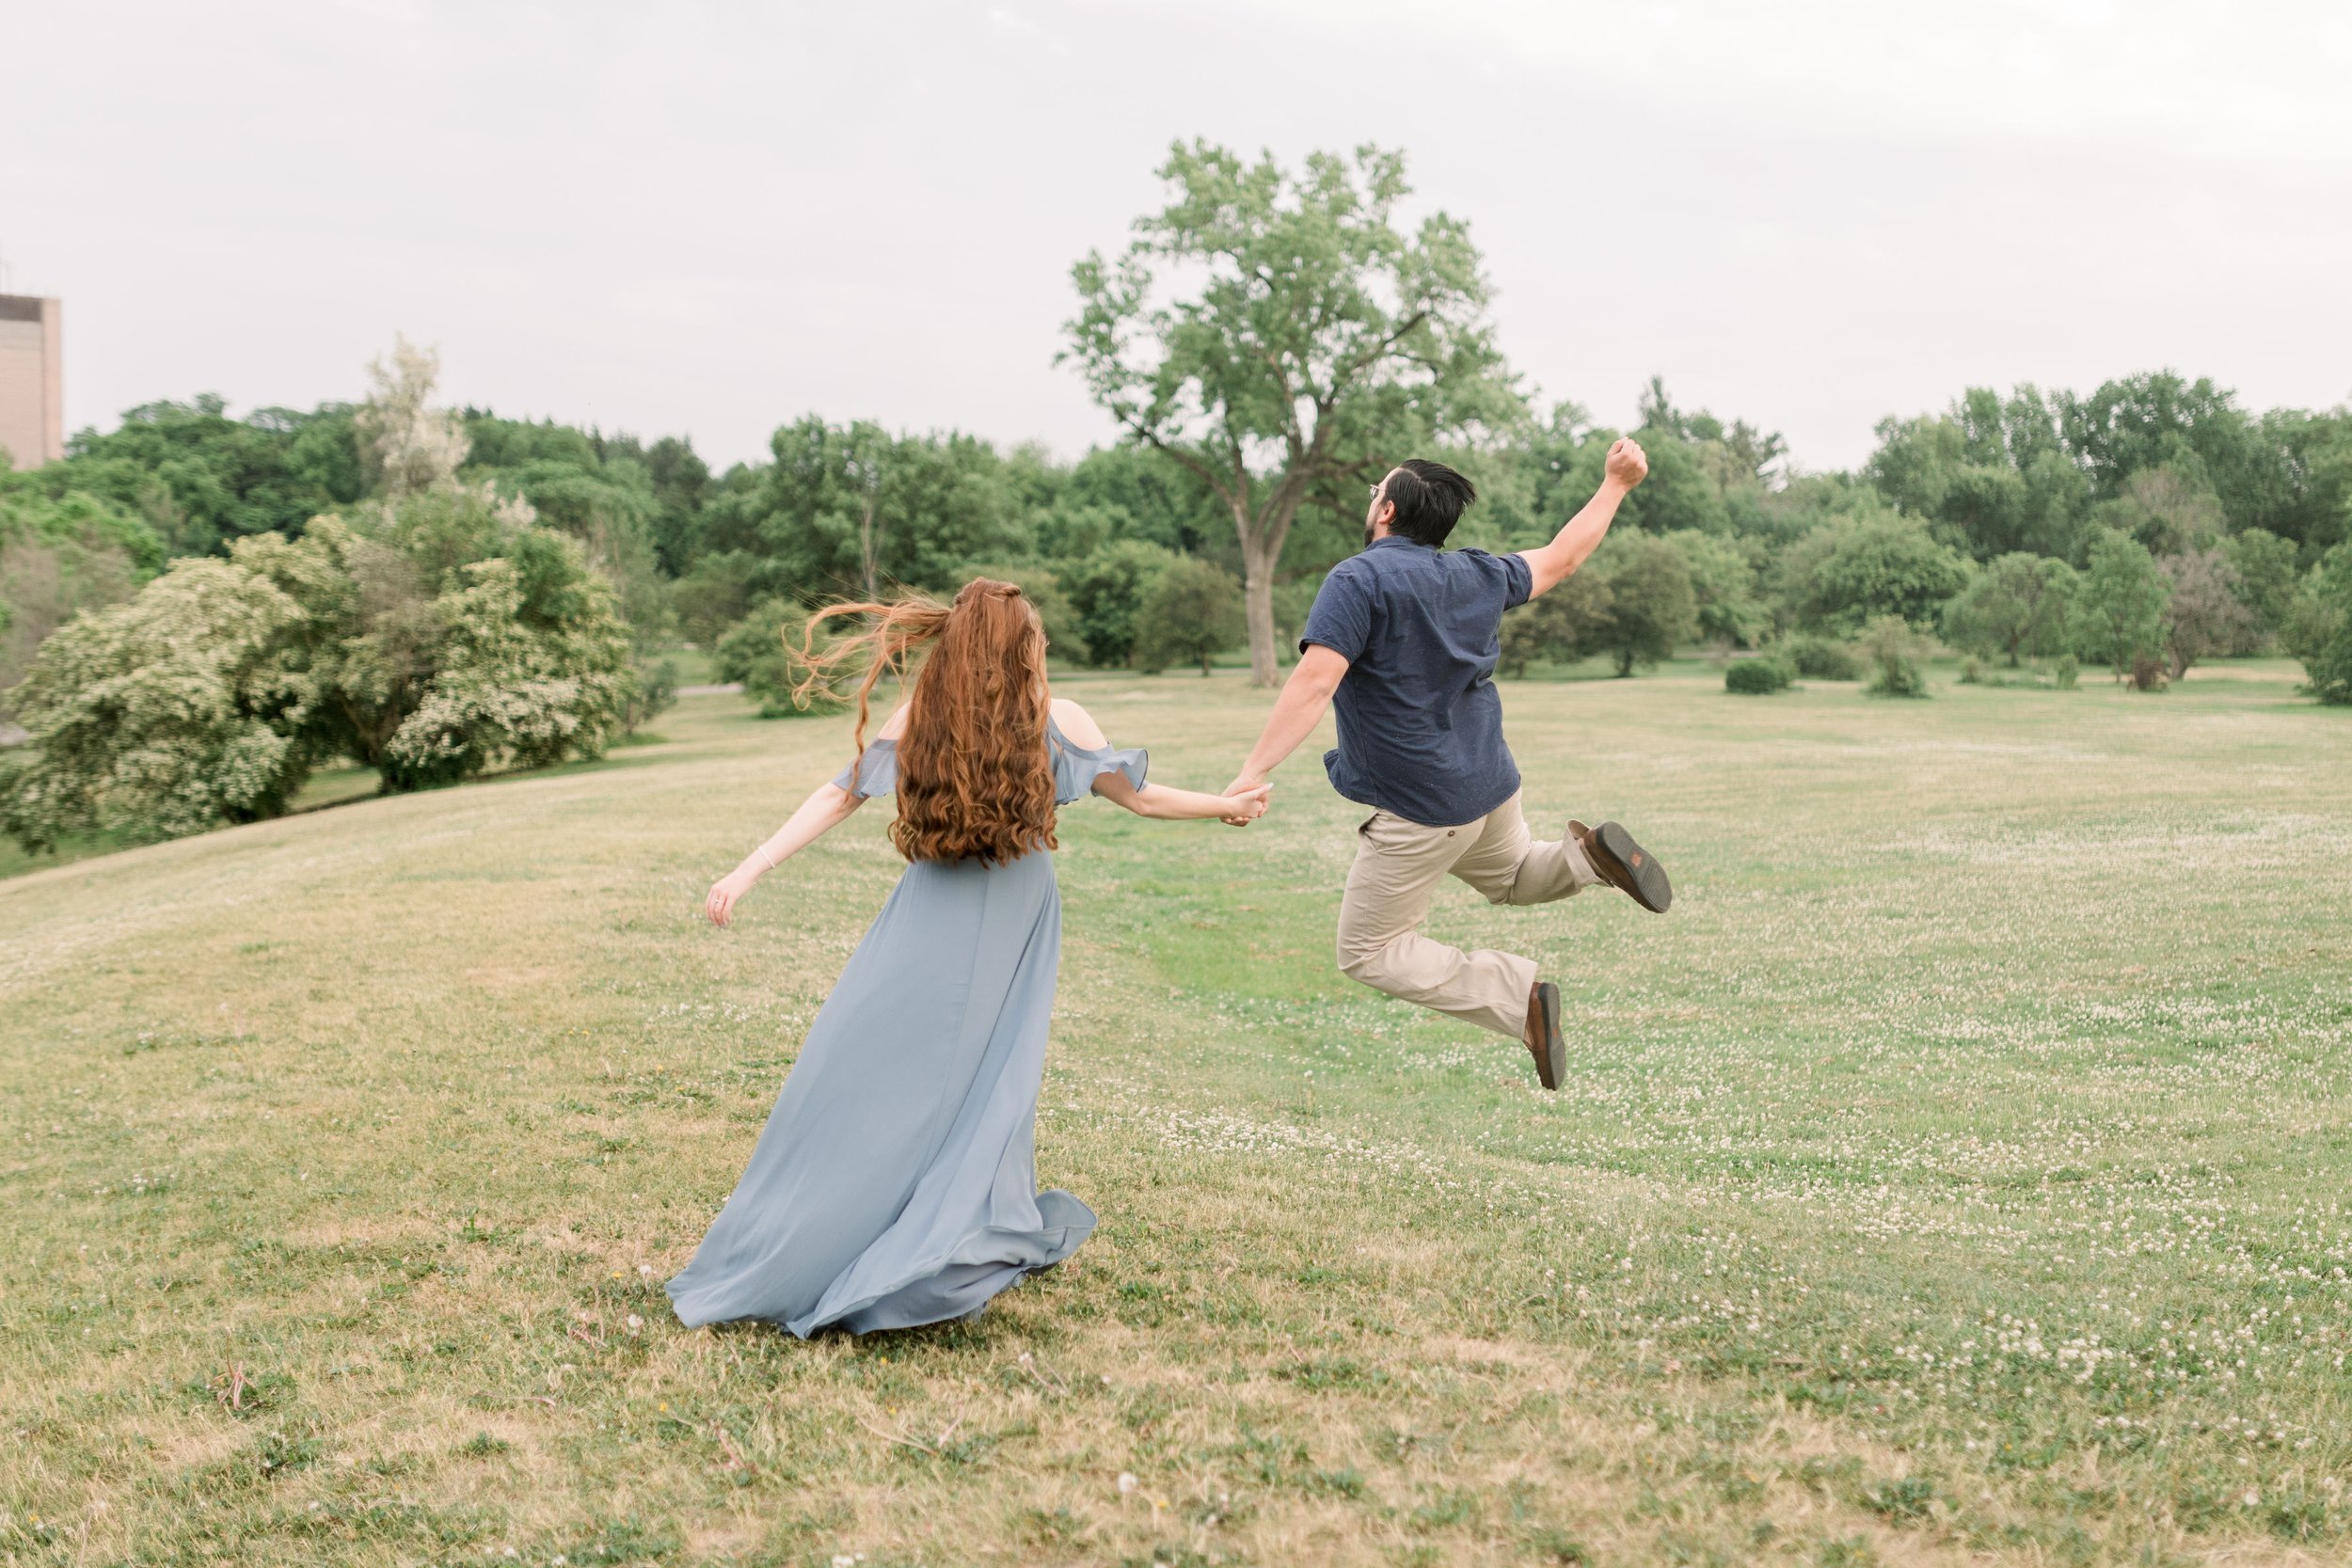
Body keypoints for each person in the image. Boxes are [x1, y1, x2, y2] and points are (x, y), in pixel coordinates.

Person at [669, 578, 1268, 1337]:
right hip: (1012, 906)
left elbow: (837, 795)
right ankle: (895, 1231)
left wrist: (747, 868)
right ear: (1023, 648)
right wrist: (1226, 804)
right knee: (981, 1077)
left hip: (940, 909)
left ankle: (918, 1224)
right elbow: (1144, 799)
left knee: (897, 1069)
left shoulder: (927, 714)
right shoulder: (1055, 718)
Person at [1222, 444, 1671, 1092]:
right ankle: (1588, 858)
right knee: (1517, 875)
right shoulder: (1477, 574)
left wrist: (1250, 771)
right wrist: (1615, 485)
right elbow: (1563, 556)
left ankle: (1518, 999)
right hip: (1489, 787)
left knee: (1368, 951)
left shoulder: (1358, 579)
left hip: (1421, 804)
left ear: (1388, 509)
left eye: (1375, 487)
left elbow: (1316, 680)